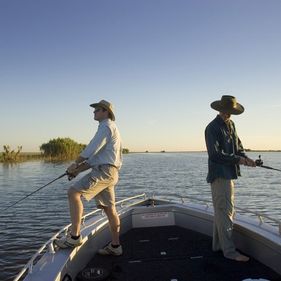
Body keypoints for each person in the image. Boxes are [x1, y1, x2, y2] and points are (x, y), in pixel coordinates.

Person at [55, 100, 123, 256]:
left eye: (96, 110)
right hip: (109, 172)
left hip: (104, 172)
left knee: (73, 193)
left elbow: (91, 148)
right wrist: (78, 170)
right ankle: (115, 246)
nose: (93, 112)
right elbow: (96, 159)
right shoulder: (112, 128)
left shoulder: (106, 126)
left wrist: (75, 163)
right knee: (109, 209)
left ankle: (74, 237)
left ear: (105, 111)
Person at [205, 95, 256, 262]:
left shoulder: (232, 125)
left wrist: (246, 159)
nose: (228, 114)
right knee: (225, 212)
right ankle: (230, 252)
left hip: (230, 175)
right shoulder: (211, 128)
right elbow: (215, 155)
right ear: (220, 109)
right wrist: (238, 160)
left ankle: (218, 246)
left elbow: (238, 147)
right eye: (226, 111)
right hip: (219, 175)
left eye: (231, 112)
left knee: (223, 211)